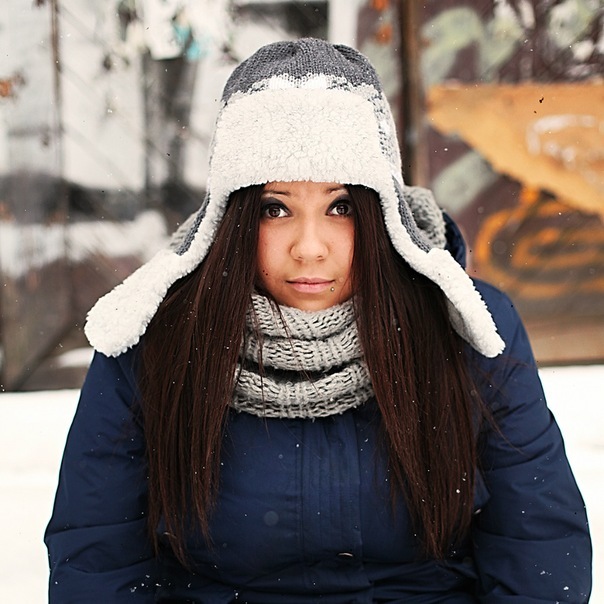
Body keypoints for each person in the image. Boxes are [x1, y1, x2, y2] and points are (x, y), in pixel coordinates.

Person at [45, 38, 592, 603]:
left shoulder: (468, 326)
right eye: (275, 208)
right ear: (230, 217)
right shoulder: (156, 337)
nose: (309, 248)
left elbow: (539, 547)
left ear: (384, 214)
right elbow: (97, 559)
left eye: (340, 207)